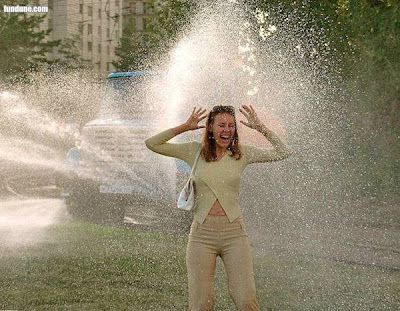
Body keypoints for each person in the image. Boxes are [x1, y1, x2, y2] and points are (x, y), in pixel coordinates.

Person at [145, 105, 292, 311]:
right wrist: (185, 127)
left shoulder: (242, 154)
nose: (227, 130)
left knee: (246, 300)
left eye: (231, 126)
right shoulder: (193, 151)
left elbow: (284, 152)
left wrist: (261, 128)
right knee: (201, 304)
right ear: (210, 128)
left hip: (235, 235)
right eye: (221, 125)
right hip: (201, 236)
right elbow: (152, 143)